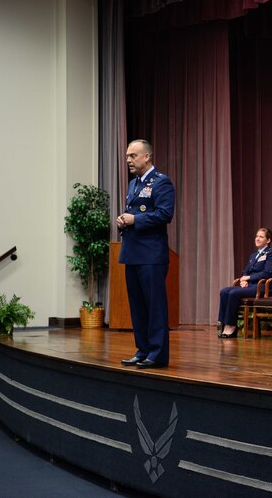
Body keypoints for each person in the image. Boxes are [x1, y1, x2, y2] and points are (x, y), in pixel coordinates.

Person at [116, 139, 175, 369]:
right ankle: (142, 350)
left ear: (147, 157)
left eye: (133, 156)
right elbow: (134, 215)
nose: (128, 160)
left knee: (155, 306)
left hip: (151, 255)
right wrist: (123, 221)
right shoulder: (133, 184)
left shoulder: (162, 183)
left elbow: (165, 214)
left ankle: (157, 354)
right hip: (132, 253)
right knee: (138, 307)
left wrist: (135, 219)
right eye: (127, 156)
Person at [217, 228, 272, 338]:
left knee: (233, 293)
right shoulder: (253, 255)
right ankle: (222, 324)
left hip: (264, 286)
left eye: (261, 237)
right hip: (251, 285)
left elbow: (267, 273)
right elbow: (246, 271)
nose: (257, 239)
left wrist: (248, 278)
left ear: (268, 240)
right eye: (257, 236)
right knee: (224, 291)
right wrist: (242, 280)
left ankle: (231, 326)